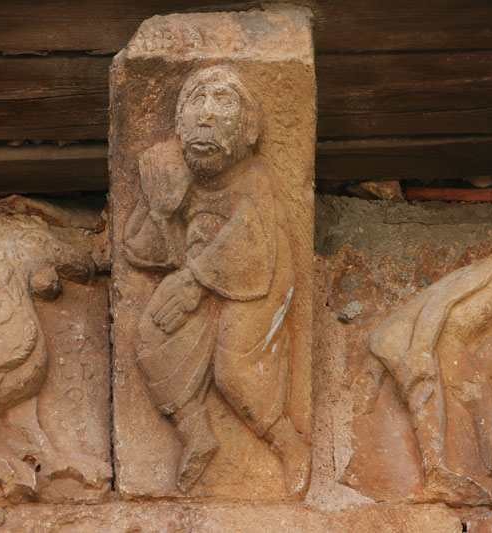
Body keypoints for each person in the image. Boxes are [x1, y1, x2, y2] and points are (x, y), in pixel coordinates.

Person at [123, 65, 309, 493]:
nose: (206, 115)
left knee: (236, 373)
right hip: (197, 275)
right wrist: (160, 208)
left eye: (224, 101)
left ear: (248, 129)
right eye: (196, 101)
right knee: (152, 337)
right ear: (178, 123)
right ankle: (196, 433)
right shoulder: (178, 175)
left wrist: (193, 283)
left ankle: (290, 444)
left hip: (256, 281)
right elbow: (143, 252)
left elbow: (251, 248)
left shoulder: (255, 179)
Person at [357, 229, 492, 499]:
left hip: (451, 346)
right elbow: (442, 299)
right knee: (426, 387)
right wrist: (421, 349)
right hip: (409, 332)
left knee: (485, 400)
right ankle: (435, 470)